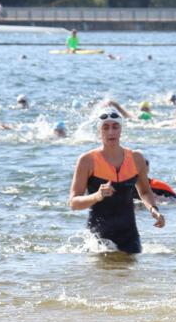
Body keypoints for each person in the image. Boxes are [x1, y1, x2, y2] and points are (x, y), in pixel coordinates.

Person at [69, 106, 165, 254]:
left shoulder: (136, 158)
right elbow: (74, 203)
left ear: (121, 129)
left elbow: (145, 192)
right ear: (99, 130)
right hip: (98, 239)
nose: (111, 132)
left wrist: (154, 210)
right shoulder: (87, 161)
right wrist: (97, 196)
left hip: (130, 236)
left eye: (115, 127)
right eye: (105, 127)